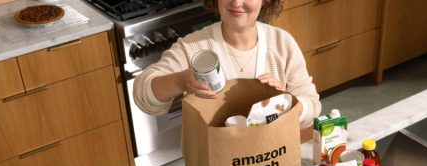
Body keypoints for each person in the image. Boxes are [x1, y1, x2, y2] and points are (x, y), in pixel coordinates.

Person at [133, 0, 321, 127]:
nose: (237, 2)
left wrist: (285, 102)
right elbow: (143, 96)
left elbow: (312, 106)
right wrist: (181, 81)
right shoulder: (192, 47)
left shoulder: (282, 43)